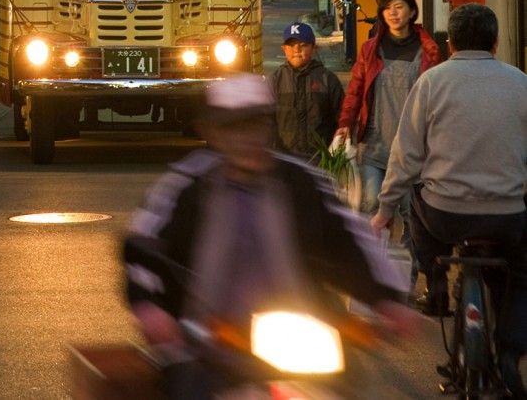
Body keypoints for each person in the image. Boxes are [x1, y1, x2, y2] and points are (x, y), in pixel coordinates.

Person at [124, 74, 412, 399]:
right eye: (233, 127)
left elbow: (348, 238)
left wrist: (388, 300)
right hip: (207, 341)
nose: (246, 137)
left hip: (300, 339)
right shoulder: (186, 187)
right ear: (212, 133)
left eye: (255, 124)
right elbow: (143, 245)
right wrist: (151, 309)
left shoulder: (300, 182)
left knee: (345, 387)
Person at [373, 3, 527, 392]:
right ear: (495, 43)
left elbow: (406, 155)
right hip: (506, 216)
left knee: (419, 204)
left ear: (451, 43)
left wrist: (385, 208)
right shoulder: (520, 82)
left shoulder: (432, 82)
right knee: (520, 274)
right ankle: (509, 355)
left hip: (446, 215)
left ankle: (436, 281)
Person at [336, 0, 439, 221]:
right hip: (374, 143)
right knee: (370, 204)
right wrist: (345, 123)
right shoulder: (370, 50)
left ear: (412, 11)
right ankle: (373, 257)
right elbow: (354, 91)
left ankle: (408, 258)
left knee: (410, 213)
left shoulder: (428, 51)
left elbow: (434, 102)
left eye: (399, 7)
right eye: (387, 8)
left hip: (411, 148)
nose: (392, 13)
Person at [267, 21, 344, 161]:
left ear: (314, 48)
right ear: (284, 48)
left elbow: (341, 117)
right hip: (286, 162)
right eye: (291, 45)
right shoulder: (275, 81)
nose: (297, 50)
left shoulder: (327, 79)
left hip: (321, 161)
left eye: (303, 45)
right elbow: (266, 122)